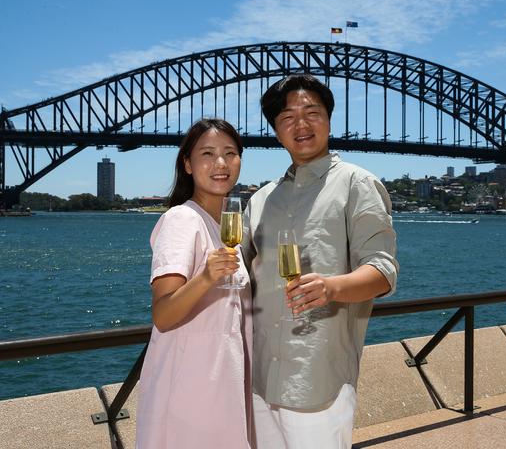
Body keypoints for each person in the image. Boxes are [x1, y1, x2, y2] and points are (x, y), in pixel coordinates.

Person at [242, 74, 398, 449]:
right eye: (287, 118)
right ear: (276, 132)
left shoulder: (356, 184)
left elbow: (382, 270)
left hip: (318, 377)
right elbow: (237, 274)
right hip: (260, 377)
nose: (301, 124)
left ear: (329, 119)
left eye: (312, 112)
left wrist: (332, 286)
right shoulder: (261, 199)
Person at [136, 118, 253, 449]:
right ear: (187, 164)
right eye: (207, 154)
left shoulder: (223, 227)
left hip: (221, 387)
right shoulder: (181, 220)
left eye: (230, 153)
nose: (220, 163)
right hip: (192, 396)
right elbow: (164, 313)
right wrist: (206, 276)